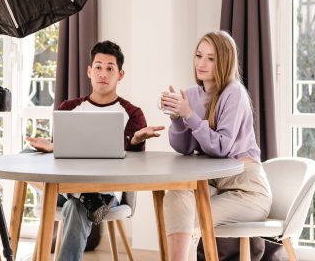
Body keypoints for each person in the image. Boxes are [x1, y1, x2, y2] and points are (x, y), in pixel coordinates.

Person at [26, 40, 164, 261]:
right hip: (65, 190)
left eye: (110, 68)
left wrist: (136, 142)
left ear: (120, 74)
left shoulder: (133, 114)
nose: (103, 73)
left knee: (76, 206)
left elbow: (135, 168)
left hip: (106, 195)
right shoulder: (69, 108)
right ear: (89, 71)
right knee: (28, 156)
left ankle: (85, 196)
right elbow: (58, 161)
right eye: (98, 67)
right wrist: (52, 148)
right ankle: (84, 195)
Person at [159, 31, 273, 261]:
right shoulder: (191, 94)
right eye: (199, 55)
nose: (201, 63)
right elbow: (184, 147)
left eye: (210, 58)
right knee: (176, 195)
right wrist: (176, 118)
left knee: (191, 217)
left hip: (247, 189)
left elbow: (222, 147)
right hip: (213, 183)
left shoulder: (234, 92)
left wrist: (189, 114)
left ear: (224, 61)